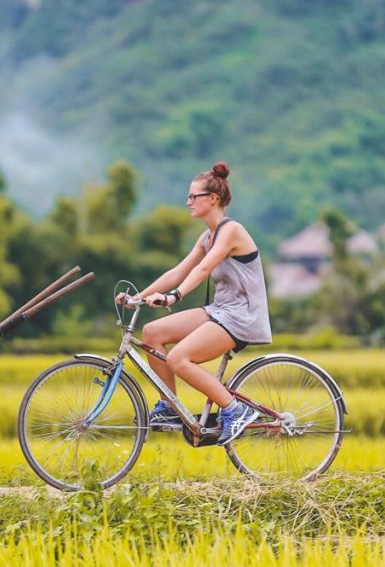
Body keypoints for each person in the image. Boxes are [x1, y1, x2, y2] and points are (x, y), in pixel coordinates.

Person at [116, 161, 272, 445]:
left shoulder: (231, 231)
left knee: (178, 358)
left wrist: (174, 296)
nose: (188, 202)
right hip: (220, 311)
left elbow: (202, 271)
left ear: (213, 199)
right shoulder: (207, 237)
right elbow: (177, 271)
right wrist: (137, 298)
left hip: (242, 316)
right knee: (152, 333)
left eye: (193, 196)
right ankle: (170, 408)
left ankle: (235, 410)